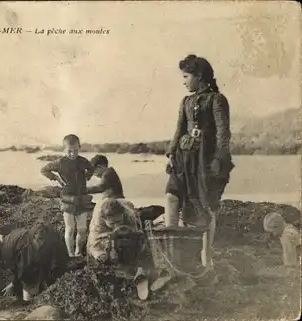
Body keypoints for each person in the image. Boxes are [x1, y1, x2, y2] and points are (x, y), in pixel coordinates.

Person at [164, 54, 234, 268]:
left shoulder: (217, 99)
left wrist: (219, 160)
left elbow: (223, 132)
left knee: (206, 206)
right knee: (171, 196)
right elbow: (179, 129)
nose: (183, 81)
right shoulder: (185, 101)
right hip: (183, 158)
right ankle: (171, 251)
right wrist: (171, 154)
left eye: (186, 76)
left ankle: (206, 255)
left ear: (199, 76)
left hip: (205, 159)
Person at [0, 221, 69, 303]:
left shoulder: (8, 252)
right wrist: (13, 284)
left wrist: (17, 285)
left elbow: (25, 269)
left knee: (31, 284)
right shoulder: (7, 241)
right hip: (46, 243)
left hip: (52, 251)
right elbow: (19, 265)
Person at [40, 134, 95, 257]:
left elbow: (91, 168)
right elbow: (44, 170)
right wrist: (56, 178)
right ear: (64, 150)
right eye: (69, 151)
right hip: (67, 198)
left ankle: (78, 252)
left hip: (82, 198)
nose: (72, 154)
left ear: (79, 147)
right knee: (70, 229)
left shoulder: (83, 161)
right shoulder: (60, 162)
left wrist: (88, 177)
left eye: (75, 150)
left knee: (82, 229)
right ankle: (70, 253)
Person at [87, 197, 150, 300]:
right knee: (100, 250)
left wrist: (138, 256)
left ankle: (137, 271)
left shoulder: (129, 215)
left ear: (122, 215)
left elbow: (137, 236)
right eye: (112, 223)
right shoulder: (98, 220)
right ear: (104, 219)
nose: (116, 226)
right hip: (102, 225)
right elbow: (93, 241)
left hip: (127, 209)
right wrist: (98, 253)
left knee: (131, 241)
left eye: (118, 221)